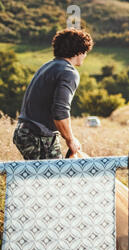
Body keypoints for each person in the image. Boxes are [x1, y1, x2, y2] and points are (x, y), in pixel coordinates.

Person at [13, 28, 93, 160]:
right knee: (55, 179)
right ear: (79, 51)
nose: (85, 56)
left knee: (44, 178)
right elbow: (60, 112)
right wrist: (70, 140)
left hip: (24, 131)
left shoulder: (48, 67)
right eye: (85, 52)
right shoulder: (69, 72)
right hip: (38, 135)